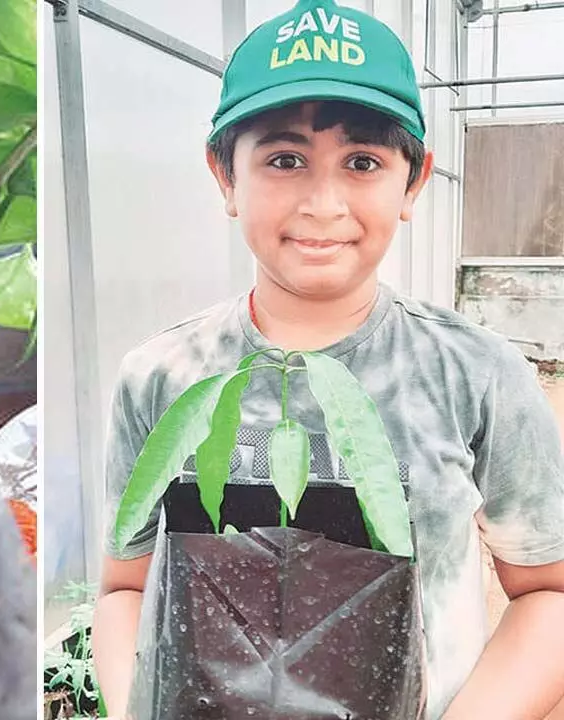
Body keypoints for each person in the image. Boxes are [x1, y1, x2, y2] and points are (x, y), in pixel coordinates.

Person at [91, 1, 564, 718]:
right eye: (284, 160)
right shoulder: (162, 376)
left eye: (363, 162)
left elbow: (547, 594)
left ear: (412, 183)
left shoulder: (476, 374)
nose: (323, 202)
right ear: (225, 176)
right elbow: (126, 584)